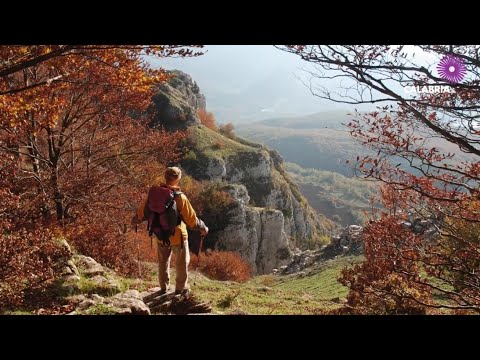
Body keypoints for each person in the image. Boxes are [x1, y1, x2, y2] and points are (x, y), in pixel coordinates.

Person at [133, 167, 208, 295]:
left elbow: (142, 213)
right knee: (181, 263)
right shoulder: (180, 197)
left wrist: (135, 220)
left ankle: (163, 287)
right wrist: (203, 228)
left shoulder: (154, 194)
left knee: (163, 261)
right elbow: (192, 220)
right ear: (178, 179)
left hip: (160, 234)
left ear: (165, 177)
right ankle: (180, 289)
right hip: (177, 235)